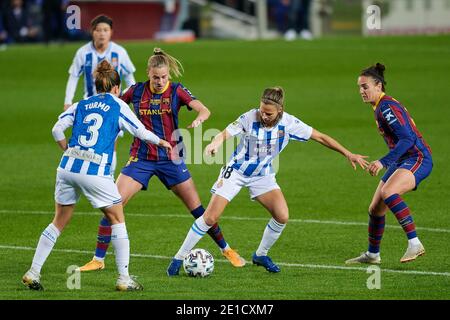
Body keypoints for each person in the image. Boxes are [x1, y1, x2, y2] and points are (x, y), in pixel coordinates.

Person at [167, 86, 369, 275]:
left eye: (269, 113)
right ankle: (178, 258)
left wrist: (347, 153)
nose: (263, 115)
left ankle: (260, 255)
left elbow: (321, 137)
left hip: (263, 175)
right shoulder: (250, 116)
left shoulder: (289, 123)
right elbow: (226, 133)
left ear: (280, 111)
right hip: (236, 171)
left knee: (282, 216)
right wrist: (215, 144)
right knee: (210, 218)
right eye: (262, 111)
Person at [78, 47, 245, 273]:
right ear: (148, 73)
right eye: (156, 77)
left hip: (171, 159)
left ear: (169, 75)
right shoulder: (136, 91)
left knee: (198, 210)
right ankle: (98, 259)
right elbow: (112, 103)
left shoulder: (176, 91)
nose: (159, 81)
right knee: (113, 205)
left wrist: (199, 118)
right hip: (141, 158)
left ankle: (226, 249)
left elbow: (204, 109)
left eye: (164, 77)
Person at [22, 61, 172, 291]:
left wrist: (67, 150)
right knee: (117, 220)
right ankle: (124, 279)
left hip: (67, 167)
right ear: (116, 88)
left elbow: (56, 129)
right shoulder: (118, 105)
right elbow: (139, 131)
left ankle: (33, 271)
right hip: (95, 171)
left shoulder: (81, 103)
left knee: (59, 220)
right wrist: (160, 141)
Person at [346, 63, 433, 265]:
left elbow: (407, 139)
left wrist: (383, 162)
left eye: (365, 86)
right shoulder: (381, 107)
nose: (361, 91)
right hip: (403, 159)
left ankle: (415, 243)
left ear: (378, 86)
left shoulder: (386, 107)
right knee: (376, 209)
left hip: (417, 158)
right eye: (359, 87)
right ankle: (373, 254)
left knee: (389, 193)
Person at [64, 14, 136, 176]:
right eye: (98, 30)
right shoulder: (83, 53)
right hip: (90, 105)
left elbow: (130, 78)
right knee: (89, 141)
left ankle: (107, 175)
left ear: (111, 32)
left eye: (105, 30)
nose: (102, 33)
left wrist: (130, 98)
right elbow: (74, 76)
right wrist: (67, 101)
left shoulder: (120, 52)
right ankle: (88, 175)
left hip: (113, 106)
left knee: (111, 142)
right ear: (92, 32)